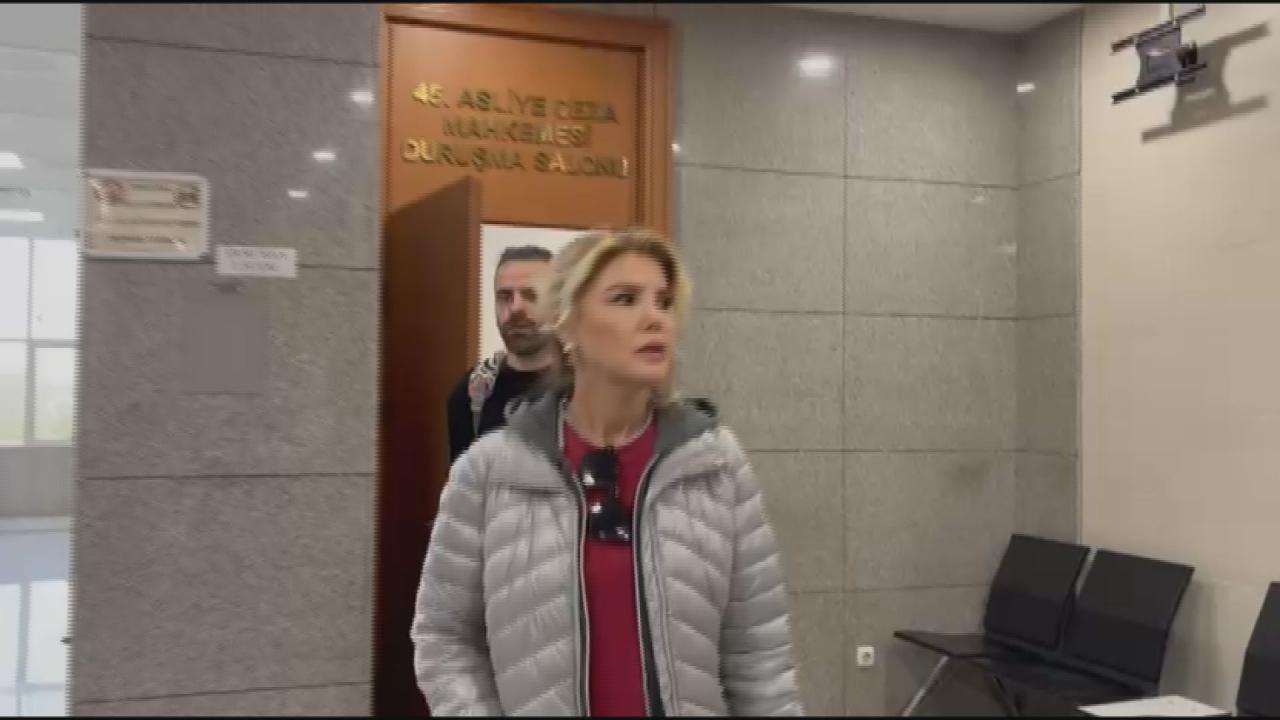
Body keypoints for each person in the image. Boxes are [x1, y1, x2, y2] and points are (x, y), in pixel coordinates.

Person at [412, 228, 804, 716]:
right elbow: (445, 637)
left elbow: (760, 660)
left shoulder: (716, 465)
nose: (654, 318)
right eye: (625, 299)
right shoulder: (488, 471)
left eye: (663, 302)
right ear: (567, 325)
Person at [446, 245, 556, 463]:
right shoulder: (474, 392)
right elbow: (465, 481)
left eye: (530, 295)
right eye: (505, 297)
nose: (515, 308)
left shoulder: (588, 388)